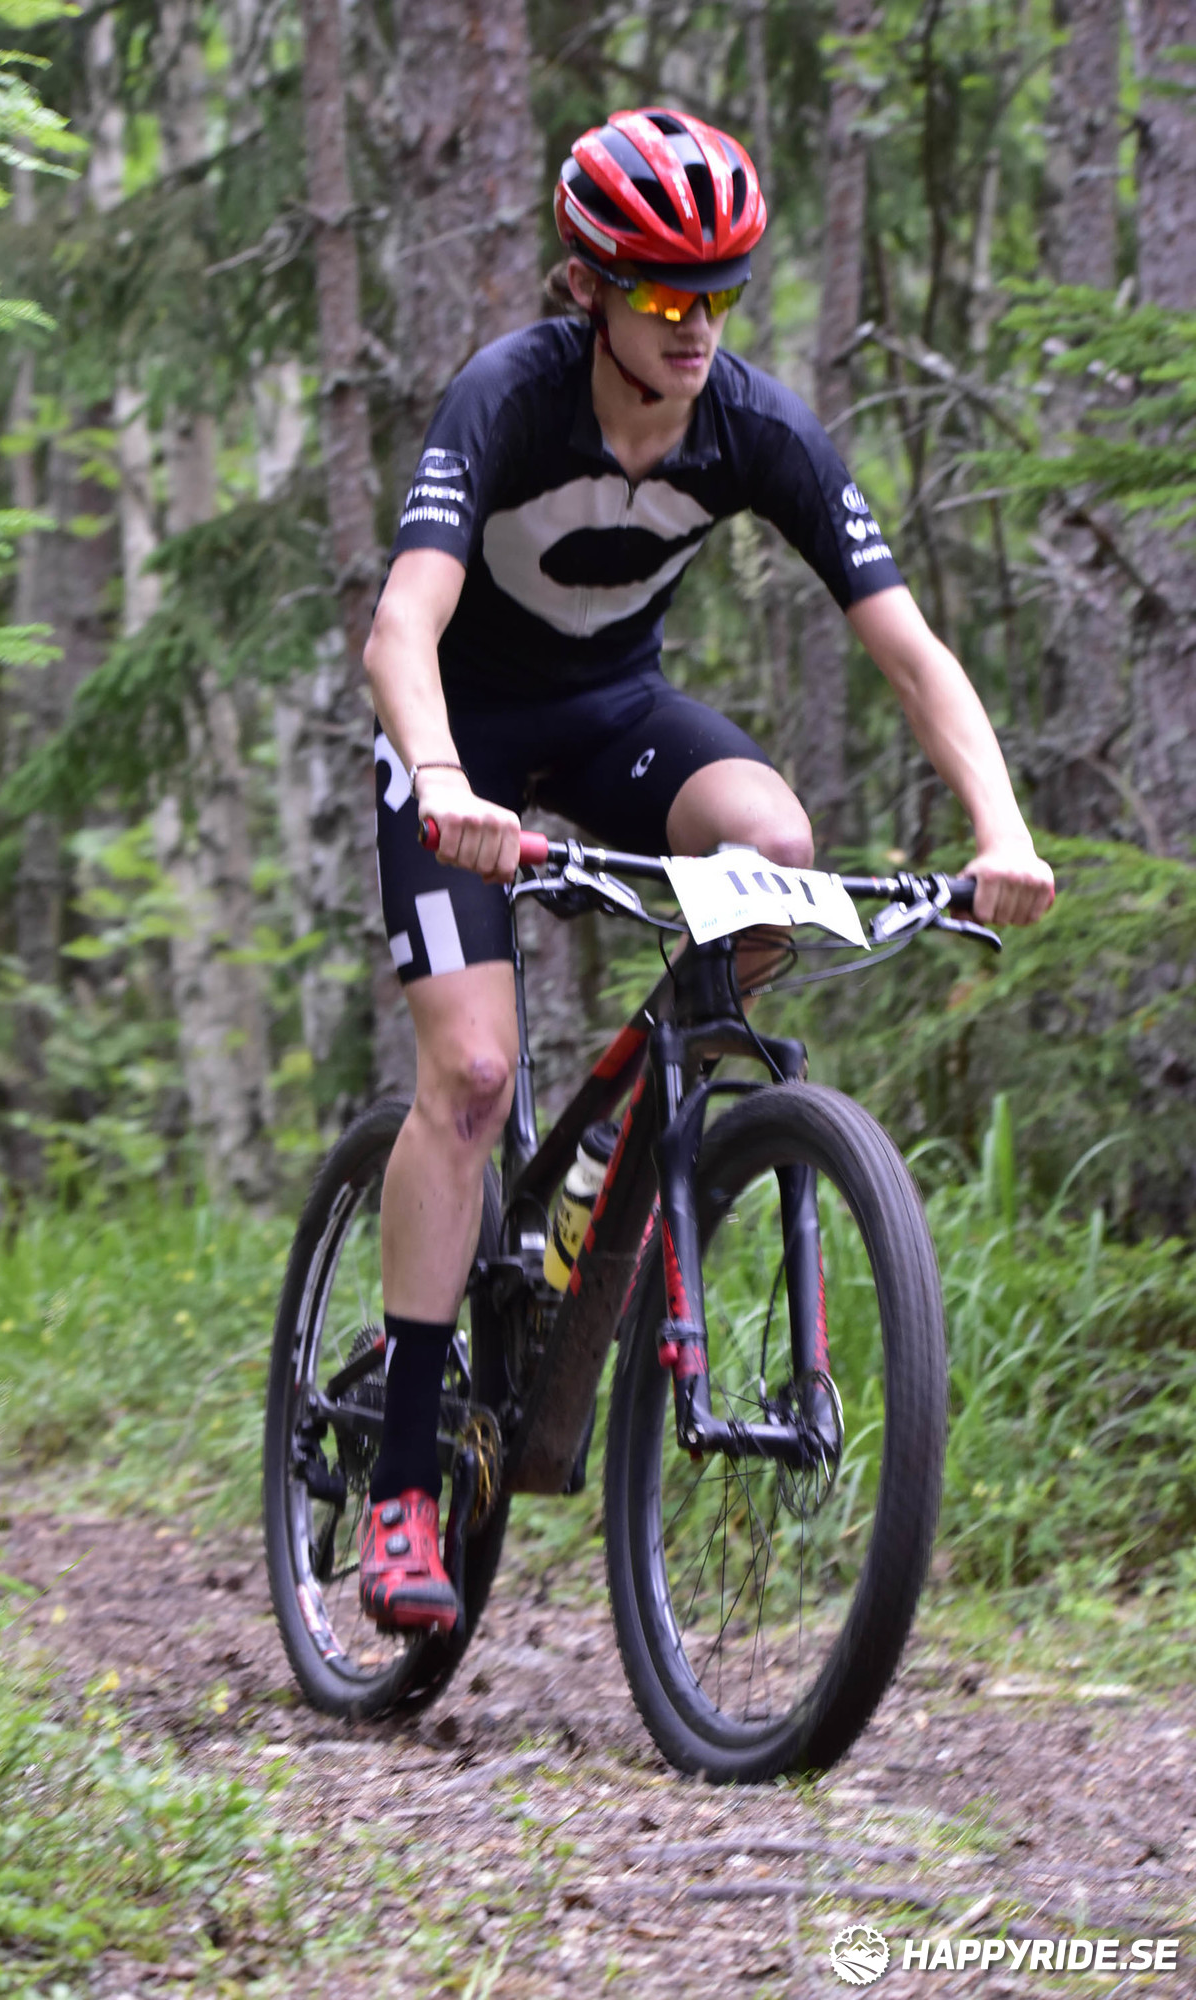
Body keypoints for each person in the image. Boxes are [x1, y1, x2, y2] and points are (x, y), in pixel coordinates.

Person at [356, 106, 1055, 1632]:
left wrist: (1000, 829)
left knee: (779, 847)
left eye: (720, 294)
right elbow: (401, 628)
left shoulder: (755, 426)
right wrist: (449, 785)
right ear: (588, 286)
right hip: (459, 736)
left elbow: (908, 649)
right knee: (470, 1076)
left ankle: (614, 1157)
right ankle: (403, 1478)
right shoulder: (509, 396)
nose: (696, 326)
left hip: (614, 718)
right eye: (665, 294)